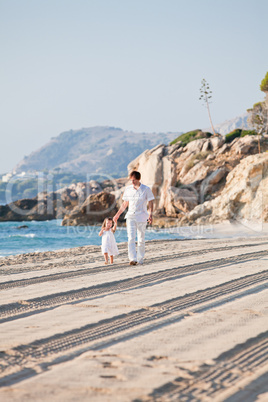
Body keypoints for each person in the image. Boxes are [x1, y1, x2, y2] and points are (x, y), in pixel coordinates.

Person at [113, 170, 154, 265]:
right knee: (131, 238)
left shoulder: (146, 189)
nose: (132, 182)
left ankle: (140, 258)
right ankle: (132, 259)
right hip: (130, 216)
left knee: (141, 239)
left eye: (134, 180)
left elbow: (151, 203)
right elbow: (124, 204)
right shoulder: (128, 189)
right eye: (131, 180)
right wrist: (117, 215)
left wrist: (150, 215)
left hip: (142, 216)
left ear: (138, 179)